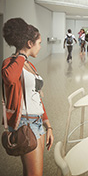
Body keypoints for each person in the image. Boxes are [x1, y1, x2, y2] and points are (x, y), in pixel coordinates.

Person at [2, 18, 54, 175]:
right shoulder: (11, 62)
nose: (40, 47)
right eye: (39, 43)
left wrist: (48, 125)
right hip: (25, 123)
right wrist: (22, 54)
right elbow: (9, 78)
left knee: (32, 172)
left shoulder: (30, 65)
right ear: (30, 44)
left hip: (37, 122)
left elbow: (36, 97)